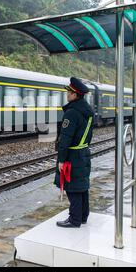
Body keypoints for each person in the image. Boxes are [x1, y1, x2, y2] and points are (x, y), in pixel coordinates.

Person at [54, 77, 95, 228]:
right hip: (84, 151)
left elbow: (65, 139)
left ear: (75, 94)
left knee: (72, 187)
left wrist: (61, 160)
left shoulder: (71, 113)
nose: (67, 94)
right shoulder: (88, 111)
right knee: (82, 185)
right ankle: (83, 215)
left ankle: (74, 219)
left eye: (69, 92)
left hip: (72, 155)